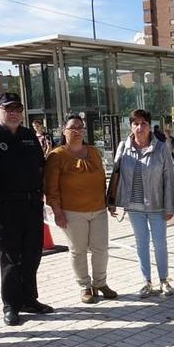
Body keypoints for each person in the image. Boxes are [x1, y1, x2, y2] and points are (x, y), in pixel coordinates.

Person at [0, 93, 53, 326]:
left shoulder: (28, 136)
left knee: (32, 254)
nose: (14, 112)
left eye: (18, 108)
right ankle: (11, 305)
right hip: (3, 206)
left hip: (31, 205)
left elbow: (39, 168)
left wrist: (44, 196)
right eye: (8, 109)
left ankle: (29, 299)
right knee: (9, 258)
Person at [45, 114, 118, 304]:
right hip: (71, 213)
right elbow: (51, 188)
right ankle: (85, 286)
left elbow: (103, 180)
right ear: (64, 131)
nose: (77, 131)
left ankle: (100, 283)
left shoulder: (94, 152)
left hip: (99, 210)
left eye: (80, 127)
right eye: (72, 128)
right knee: (78, 251)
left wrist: (109, 202)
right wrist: (57, 212)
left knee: (101, 249)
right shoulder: (56, 155)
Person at [109, 109, 174, 297]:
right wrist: (111, 201)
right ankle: (146, 281)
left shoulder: (161, 147)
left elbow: (169, 178)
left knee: (160, 243)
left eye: (143, 123)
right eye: (135, 123)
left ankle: (164, 280)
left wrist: (170, 206)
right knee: (141, 243)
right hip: (134, 206)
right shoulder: (124, 147)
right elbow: (115, 175)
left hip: (157, 205)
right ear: (130, 126)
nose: (140, 127)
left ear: (149, 125)